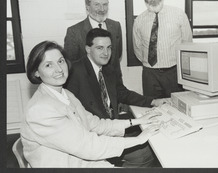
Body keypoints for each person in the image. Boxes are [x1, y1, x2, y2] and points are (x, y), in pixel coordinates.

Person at [20, 41, 161, 168]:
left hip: (80, 157)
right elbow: (88, 146)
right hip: (69, 163)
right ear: (36, 72)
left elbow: (95, 124)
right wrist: (138, 139)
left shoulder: (66, 94)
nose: (59, 69)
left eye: (61, 61)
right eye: (48, 65)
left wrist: (137, 121)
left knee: (145, 154)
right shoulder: (40, 109)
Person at [65, 28, 169, 167]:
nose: (106, 53)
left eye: (109, 48)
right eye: (100, 48)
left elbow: (122, 93)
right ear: (88, 49)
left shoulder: (107, 68)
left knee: (155, 136)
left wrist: (152, 101)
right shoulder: (75, 72)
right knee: (146, 154)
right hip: (94, 135)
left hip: (111, 125)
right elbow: (75, 119)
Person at [133, 0, 193, 99]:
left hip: (173, 73)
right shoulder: (139, 20)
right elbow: (138, 48)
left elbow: (187, 43)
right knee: (153, 109)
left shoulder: (179, 14)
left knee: (177, 108)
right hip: (149, 74)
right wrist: (150, 64)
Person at [64, 0, 122, 70]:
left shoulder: (115, 26)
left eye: (105, 4)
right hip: (86, 81)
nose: (102, 9)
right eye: (97, 5)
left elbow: (117, 55)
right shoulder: (74, 32)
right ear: (87, 7)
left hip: (113, 79)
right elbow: (71, 63)